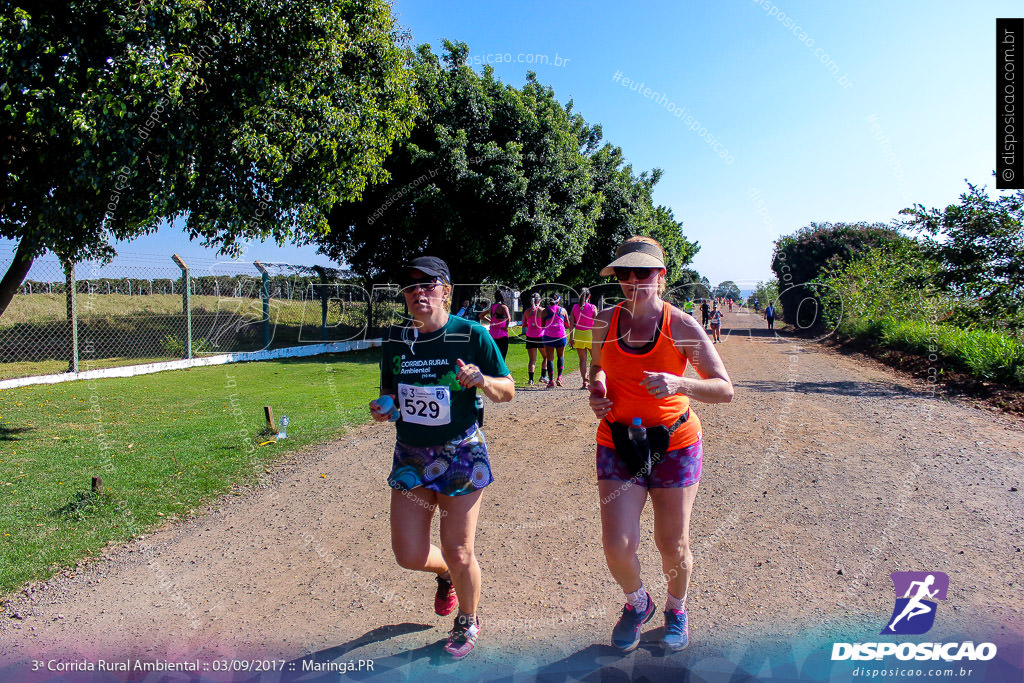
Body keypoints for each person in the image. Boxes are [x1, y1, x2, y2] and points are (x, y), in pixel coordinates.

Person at [588, 236, 733, 653]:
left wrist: (678, 383)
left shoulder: (682, 326)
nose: (634, 280)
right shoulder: (603, 321)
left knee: (672, 544)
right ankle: (638, 603)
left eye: (644, 272)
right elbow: (598, 366)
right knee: (617, 545)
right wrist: (597, 388)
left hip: (675, 445)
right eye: (625, 273)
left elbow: (724, 388)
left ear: (661, 277)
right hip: (618, 442)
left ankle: (676, 609)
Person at [369, 256, 515, 660]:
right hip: (411, 456)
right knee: (409, 554)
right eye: (410, 286)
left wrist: (483, 380)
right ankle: (445, 575)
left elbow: (508, 388)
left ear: (446, 290)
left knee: (460, 548)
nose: (418, 292)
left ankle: (468, 619)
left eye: (428, 284)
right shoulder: (398, 339)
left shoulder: (471, 334)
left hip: (462, 455)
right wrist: (384, 408)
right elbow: (392, 395)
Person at [570, 288, 598, 390]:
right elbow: (597, 323)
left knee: (582, 360)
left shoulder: (574, 307)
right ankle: (591, 377)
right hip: (590, 334)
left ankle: (584, 382)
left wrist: (571, 337)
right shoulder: (592, 307)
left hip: (578, 335)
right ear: (589, 296)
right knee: (595, 358)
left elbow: (571, 323)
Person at [540, 293, 570, 388]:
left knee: (550, 358)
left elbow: (542, 325)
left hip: (549, 335)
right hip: (561, 335)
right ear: (558, 300)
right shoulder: (563, 310)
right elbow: (567, 324)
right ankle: (559, 378)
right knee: (560, 356)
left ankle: (551, 381)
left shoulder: (545, 311)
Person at [522, 293, 545, 385]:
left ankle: (531, 379)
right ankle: (543, 376)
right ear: (539, 301)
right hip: (541, 336)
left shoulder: (527, 311)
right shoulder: (542, 310)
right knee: (546, 357)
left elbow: (524, 325)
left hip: (530, 336)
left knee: (532, 360)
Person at [482, 290, 511, 360]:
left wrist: (491, 321)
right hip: (502, 334)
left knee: (494, 356)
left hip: (492, 334)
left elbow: (481, 315)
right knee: (502, 356)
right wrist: (506, 327)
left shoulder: (492, 307)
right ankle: (502, 370)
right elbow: (508, 318)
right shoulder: (503, 307)